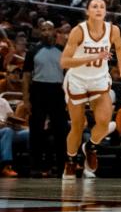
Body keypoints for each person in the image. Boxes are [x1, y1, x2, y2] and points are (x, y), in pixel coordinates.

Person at [60, 0, 121, 179]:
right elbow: (64, 61)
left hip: (99, 80)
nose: (99, 9)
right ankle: (70, 161)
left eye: (102, 6)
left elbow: (120, 47)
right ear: (87, 11)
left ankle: (91, 147)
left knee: (103, 122)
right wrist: (91, 58)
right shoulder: (78, 31)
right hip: (77, 80)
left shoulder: (112, 30)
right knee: (77, 126)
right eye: (94, 6)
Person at [21, 20, 67, 177]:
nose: (46, 32)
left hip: (58, 90)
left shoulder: (63, 50)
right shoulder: (33, 51)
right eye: (43, 29)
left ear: (55, 31)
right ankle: (36, 167)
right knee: (36, 130)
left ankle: (61, 166)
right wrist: (26, 100)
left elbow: (70, 75)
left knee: (60, 130)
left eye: (49, 29)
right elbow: (26, 76)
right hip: (39, 89)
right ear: (40, 32)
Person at [0, 93, 29, 177]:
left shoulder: (3, 101)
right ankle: (6, 166)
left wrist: (14, 122)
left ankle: (35, 166)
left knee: (30, 133)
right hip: (4, 130)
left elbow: (11, 116)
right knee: (7, 131)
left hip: (8, 128)